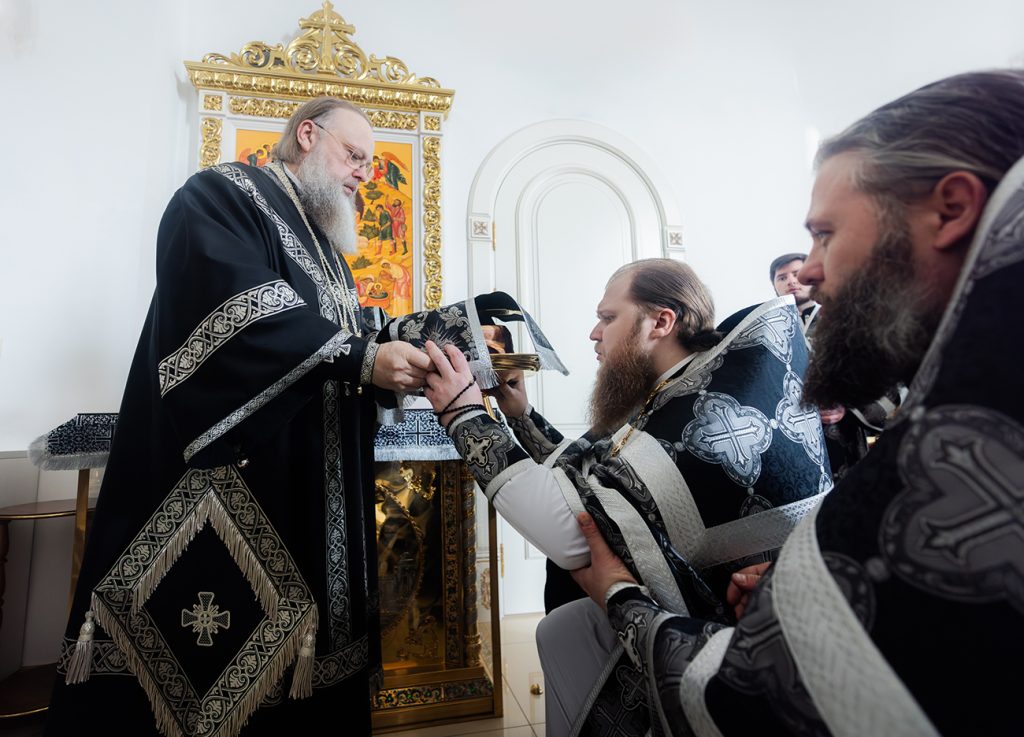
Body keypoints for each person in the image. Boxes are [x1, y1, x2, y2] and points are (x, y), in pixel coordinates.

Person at [571, 69, 1024, 737]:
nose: (806, 271)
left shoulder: (973, 442)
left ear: (951, 208)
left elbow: (750, 695)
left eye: (825, 234)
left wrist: (618, 595)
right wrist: (796, 580)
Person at [46, 97, 433, 736]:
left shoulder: (329, 252)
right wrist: (362, 357)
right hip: (243, 484)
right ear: (306, 135)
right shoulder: (224, 194)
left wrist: (412, 345)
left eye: (370, 163)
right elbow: (241, 311)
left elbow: (341, 339)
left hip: (316, 492)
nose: (365, 174)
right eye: (354, 155)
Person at [422, 258, 831, 736]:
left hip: (728, 658)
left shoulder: (704, 419)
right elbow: (594, 477)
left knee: (567, 633)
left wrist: (463, 413)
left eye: (608, 317)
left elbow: (572, 527)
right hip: (683, 621)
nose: (594, 333)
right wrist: (521, 414)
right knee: (563, 631)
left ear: (661, 321)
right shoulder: (676, 390)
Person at [770, 251, 904, 479]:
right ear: (774, 287)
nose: (791, 281)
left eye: (796, 273)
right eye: (782, 277)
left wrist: (845, 405)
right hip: (793, 445)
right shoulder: (771, 335)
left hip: (844, 441)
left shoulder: (847, 322)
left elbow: (885, 377)